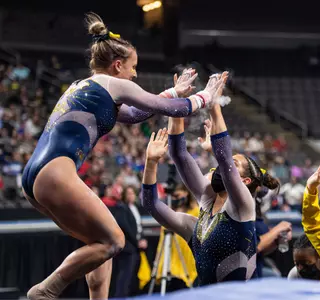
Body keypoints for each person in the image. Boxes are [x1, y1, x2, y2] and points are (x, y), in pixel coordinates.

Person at [21, 13, 225, 300]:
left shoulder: (86, 85)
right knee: (115, 241)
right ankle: (45, 290)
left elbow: (136, 114)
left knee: (99, 244)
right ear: (118, 65)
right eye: (133, 68)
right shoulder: (114, 83)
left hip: (35, 175)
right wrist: (206, 95)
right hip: (56, 172)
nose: (135, 74)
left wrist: (172, 91)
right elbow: (175, 109)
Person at [141, 73, 280, 285]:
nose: (221, 168)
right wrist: (177, 105)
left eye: (236, 164)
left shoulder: (243, 208)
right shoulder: (197, 220)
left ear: (245, 182)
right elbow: (177, 157)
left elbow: (225, 162)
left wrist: (214, 107)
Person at [152, 184, 199, 290]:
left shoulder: (196, 211)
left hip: (189, 256)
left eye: (177, 196)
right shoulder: (169, 214)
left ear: (186, 193)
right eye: (172, 196)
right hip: (172, 257)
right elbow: (162, 240)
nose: (174, 199)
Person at [108, 186, 147, 297]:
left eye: (132, 193)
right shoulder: (121, 208)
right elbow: (126, 228)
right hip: (128, 247)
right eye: (128, 193)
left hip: (135, 247)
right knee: (124, 275)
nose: (131, 195)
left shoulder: (134, 207)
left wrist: (142, 238)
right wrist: (137, 241)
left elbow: (139, 226)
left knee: (132, 276)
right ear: (124, 195)